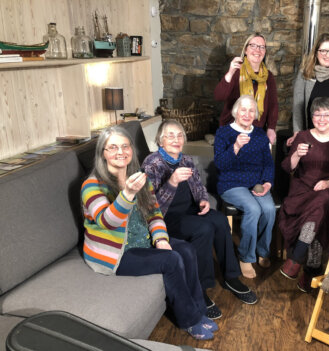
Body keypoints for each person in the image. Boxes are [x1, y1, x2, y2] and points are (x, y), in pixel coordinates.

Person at [81, 126, 218, 340]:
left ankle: (198, 312)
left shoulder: (140, 178)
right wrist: (127, 194)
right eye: (113, 147)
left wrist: (161, 239)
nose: (120, 151)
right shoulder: (91, 186)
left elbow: (154, 214)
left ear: (132, 151)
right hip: (116, 255)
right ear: (103, 153)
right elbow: (108, 221)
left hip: (143, 242)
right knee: (171, 260)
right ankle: (189, 321)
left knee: (187, 250)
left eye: (125, 146)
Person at [142, 119, 258, 320]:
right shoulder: (152, 164)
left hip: (190, 210)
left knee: (220, 220)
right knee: (203, 229)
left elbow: (198, 187)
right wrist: (172, 181)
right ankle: (200, 288)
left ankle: (230, 277)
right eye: (170, 135)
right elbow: (152, 207)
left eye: (180, 135)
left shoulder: (185, 159)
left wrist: (203, 200)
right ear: (160, 141)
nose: (176, 139)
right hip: (165, 219)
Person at [279, 97, 329, 292]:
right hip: (303, 190)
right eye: (317, 114)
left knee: (322, 200)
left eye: (327, 114)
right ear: (311, 116)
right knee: (317, 210)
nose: (322, 118)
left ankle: (297, 257)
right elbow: (287, 167)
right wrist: (296, 154)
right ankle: (311, 270)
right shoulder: (302, 136)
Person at [214, 95, 276, 279]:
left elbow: (268, 163)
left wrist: (267, 182)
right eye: (243, 110)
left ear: (255, 114)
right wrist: (235, 147)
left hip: (256, 182)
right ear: (236, 112)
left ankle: (262, 251)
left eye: (251, 110)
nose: (247, 114)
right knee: (253, 209)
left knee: (269, 209)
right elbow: (220, 164)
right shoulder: (223, 133)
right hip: (231, 183)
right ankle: (246, 257)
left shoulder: (259, 134)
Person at [214, 33, 279, 145]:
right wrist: (230, 73)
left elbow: (273, 105)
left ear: (264, 52)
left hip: (257, 132)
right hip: (232, 131)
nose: (257, 50)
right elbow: (219, 96)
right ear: (246, 50)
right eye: (253, 45)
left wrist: (271, 128)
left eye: (262, 47)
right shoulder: (236, 72)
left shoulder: (269, 77)